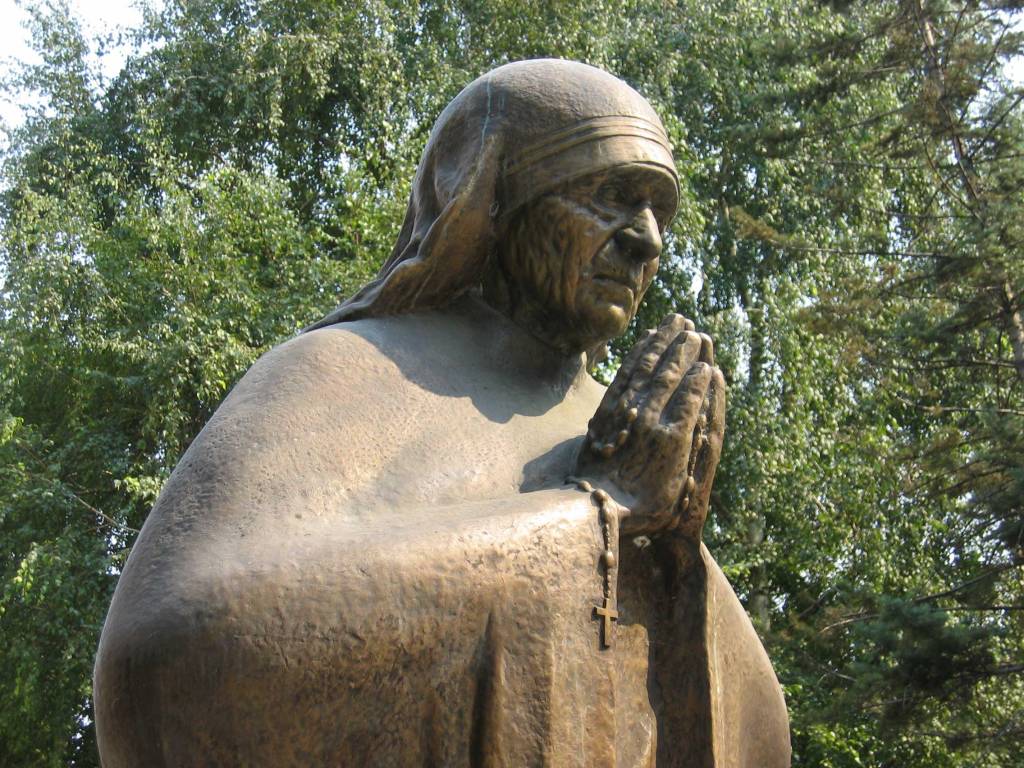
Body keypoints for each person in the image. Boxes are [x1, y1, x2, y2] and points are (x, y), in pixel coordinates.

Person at [94, 59, 790, 767]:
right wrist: (593, 516)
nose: (648, 240)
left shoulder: (620, 435)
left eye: (659, 211)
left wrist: (673, 557)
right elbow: (174, 647)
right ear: (490, 197)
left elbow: (760, 738)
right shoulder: (348, 373)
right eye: (610, 194)